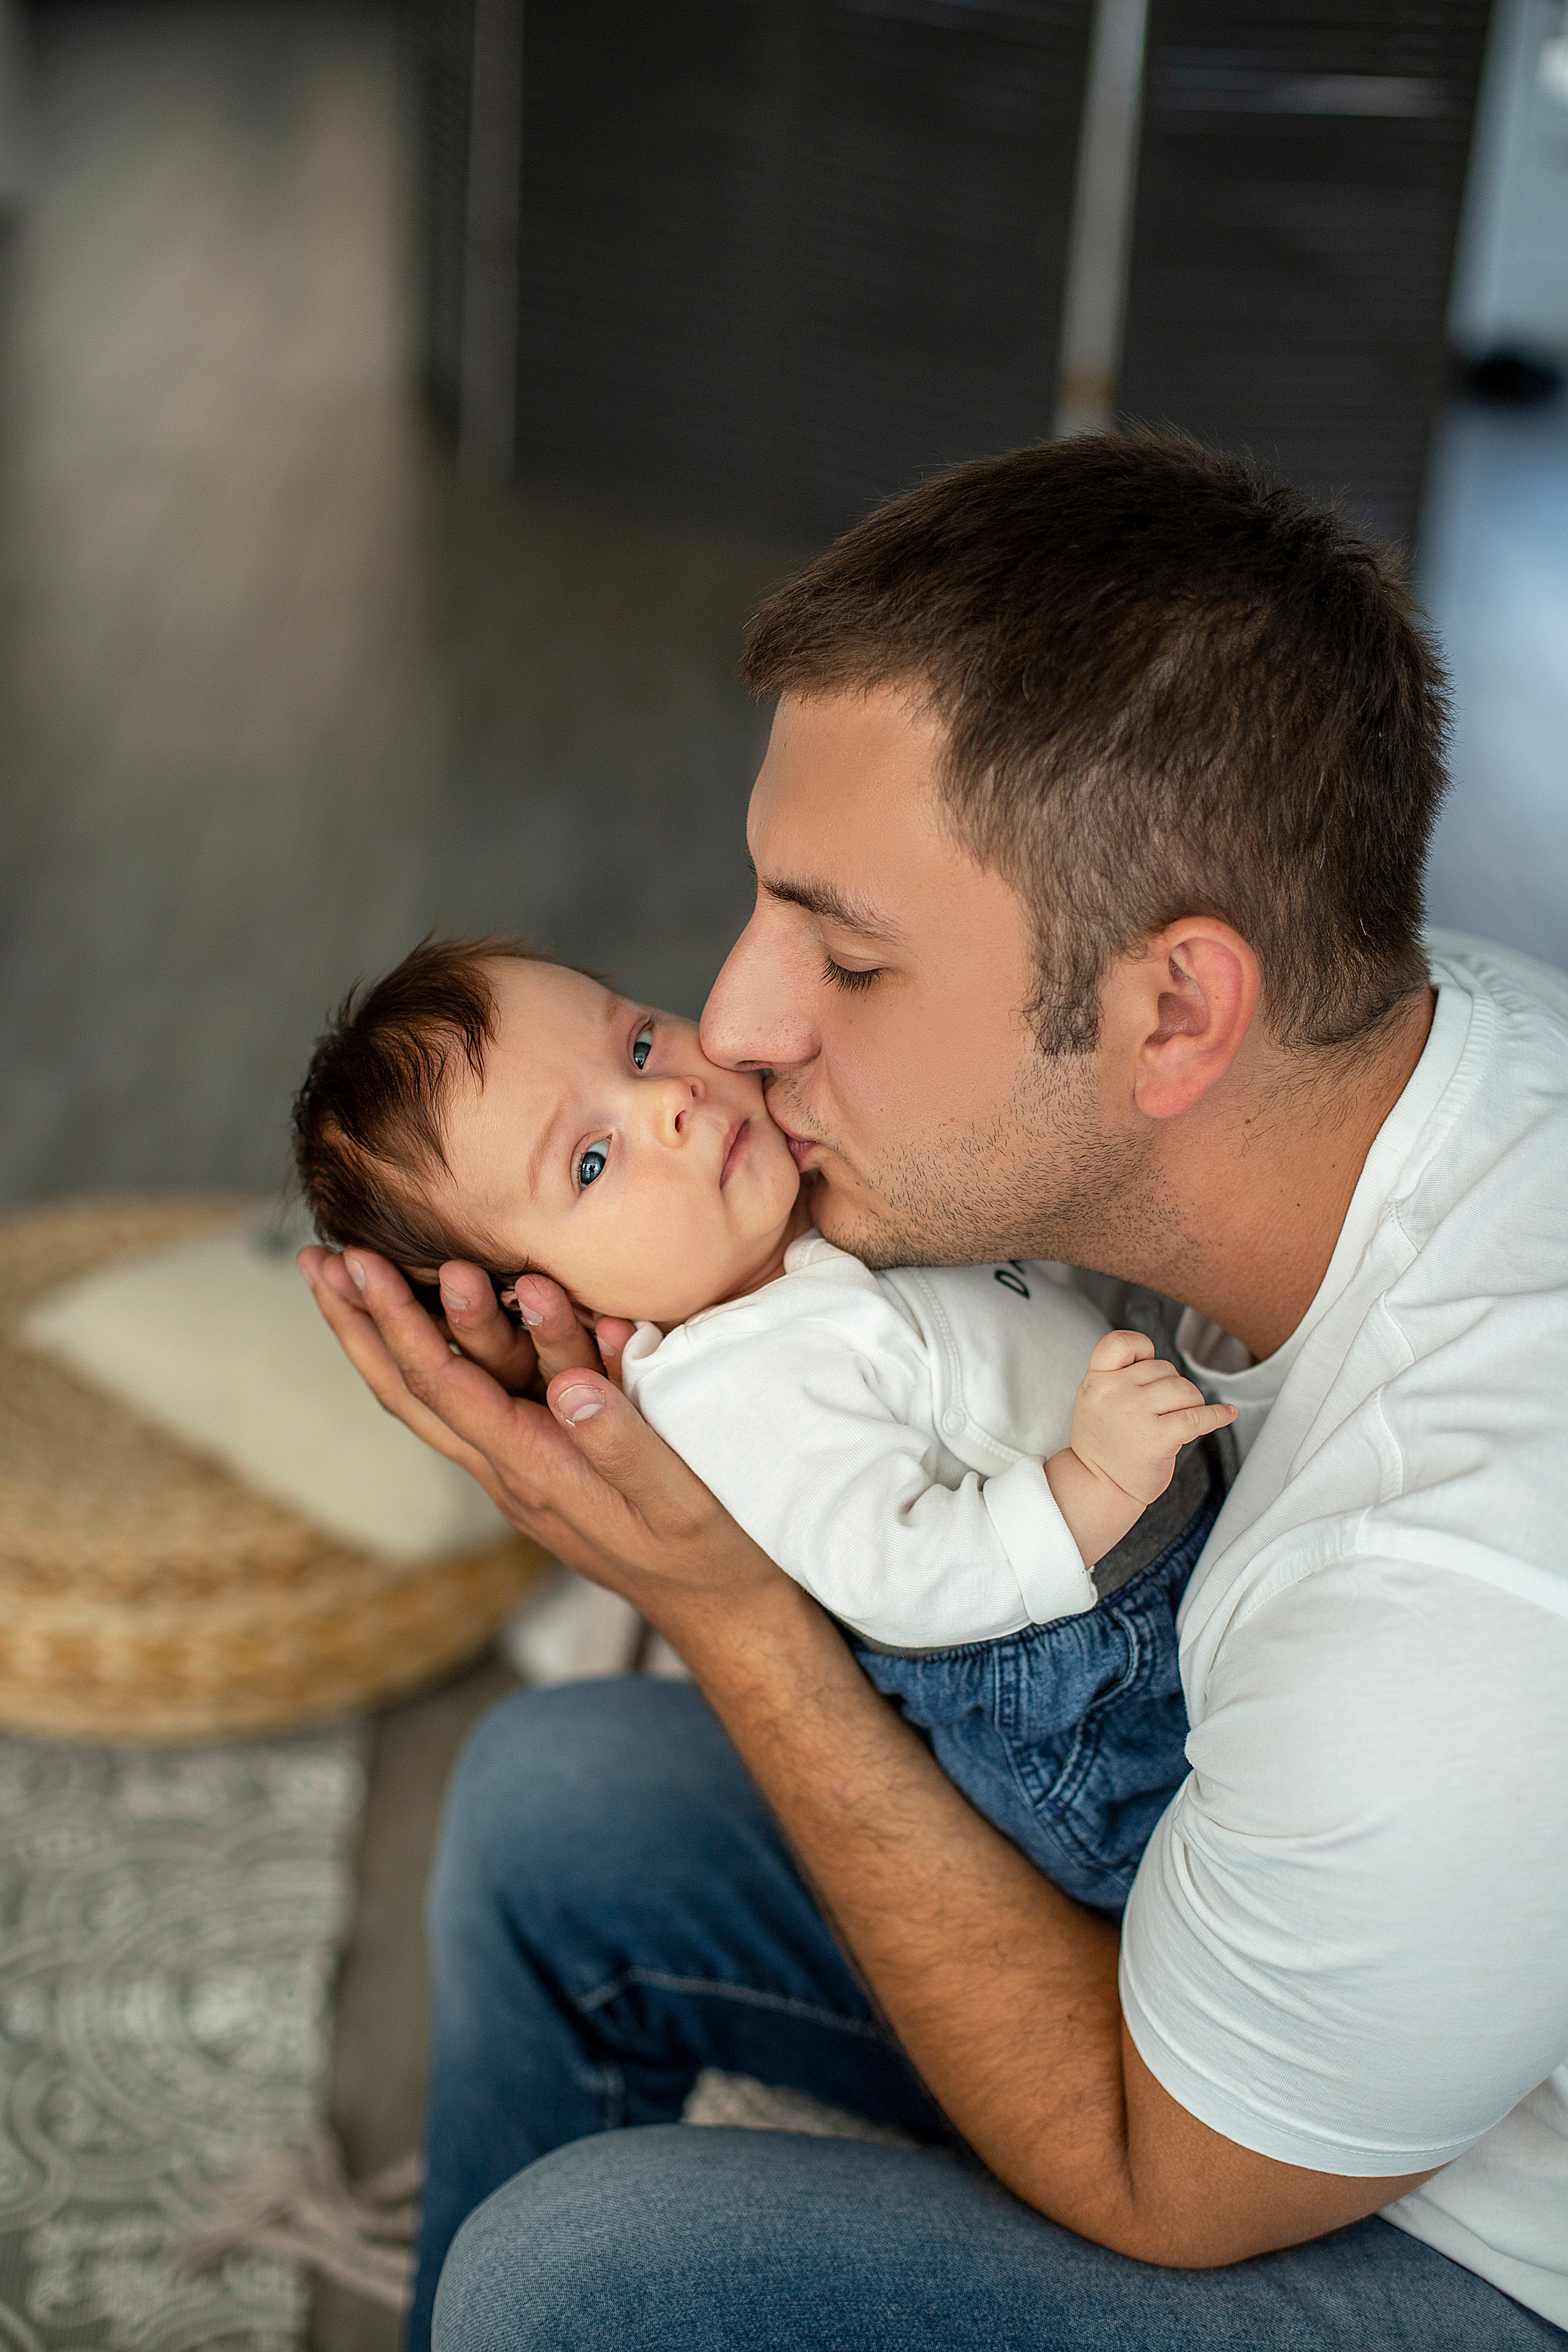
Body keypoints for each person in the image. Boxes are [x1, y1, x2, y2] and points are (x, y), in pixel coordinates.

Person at [300, 432, 1568, 2351]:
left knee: (574, 2286)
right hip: (1258, 1881)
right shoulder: (1392, 1031)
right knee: (550, 1798)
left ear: (1177, 1015)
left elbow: (1164, 2181)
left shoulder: (1449, 1604)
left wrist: (727, 1615)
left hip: (1470, 2231)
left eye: (853, 959)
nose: (731, 1026)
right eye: (762, 906)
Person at [290, 935, 1236, 1907]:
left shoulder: (807, 1197)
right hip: (1092, 1694)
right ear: (543, 1298)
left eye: (641, 1046)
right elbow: (897, 1573)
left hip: (1155, 1528)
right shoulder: (736, 1387)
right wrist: (1099, 1483)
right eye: (590, 1161)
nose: (669, 1100)